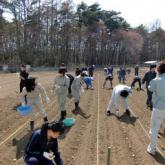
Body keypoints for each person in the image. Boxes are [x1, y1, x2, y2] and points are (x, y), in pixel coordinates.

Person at [147, 61, 165, 155]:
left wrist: (157, 77)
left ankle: (152, 149)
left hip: (158, 107)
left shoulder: (156, 79)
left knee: (154, 129)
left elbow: (150, 88)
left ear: (158, 70)